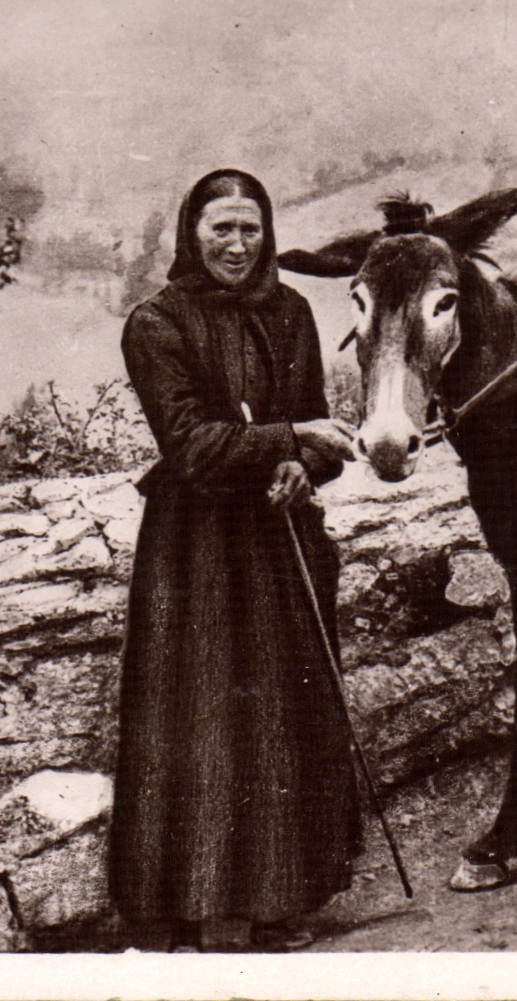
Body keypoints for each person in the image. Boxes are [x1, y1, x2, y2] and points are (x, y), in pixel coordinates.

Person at [110, 169, 361, 952]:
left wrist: (304, 465)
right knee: (199, 722)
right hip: (195, 553)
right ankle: (179, 910)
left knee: (278, 719)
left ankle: (276, 903)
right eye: (220, 228)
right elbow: (189, 446)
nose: (236, 244)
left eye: (250, 229)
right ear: (192, 233)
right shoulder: (156, 323)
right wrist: (290, 441)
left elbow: (318, 432)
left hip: (276, 541)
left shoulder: (289, 312)